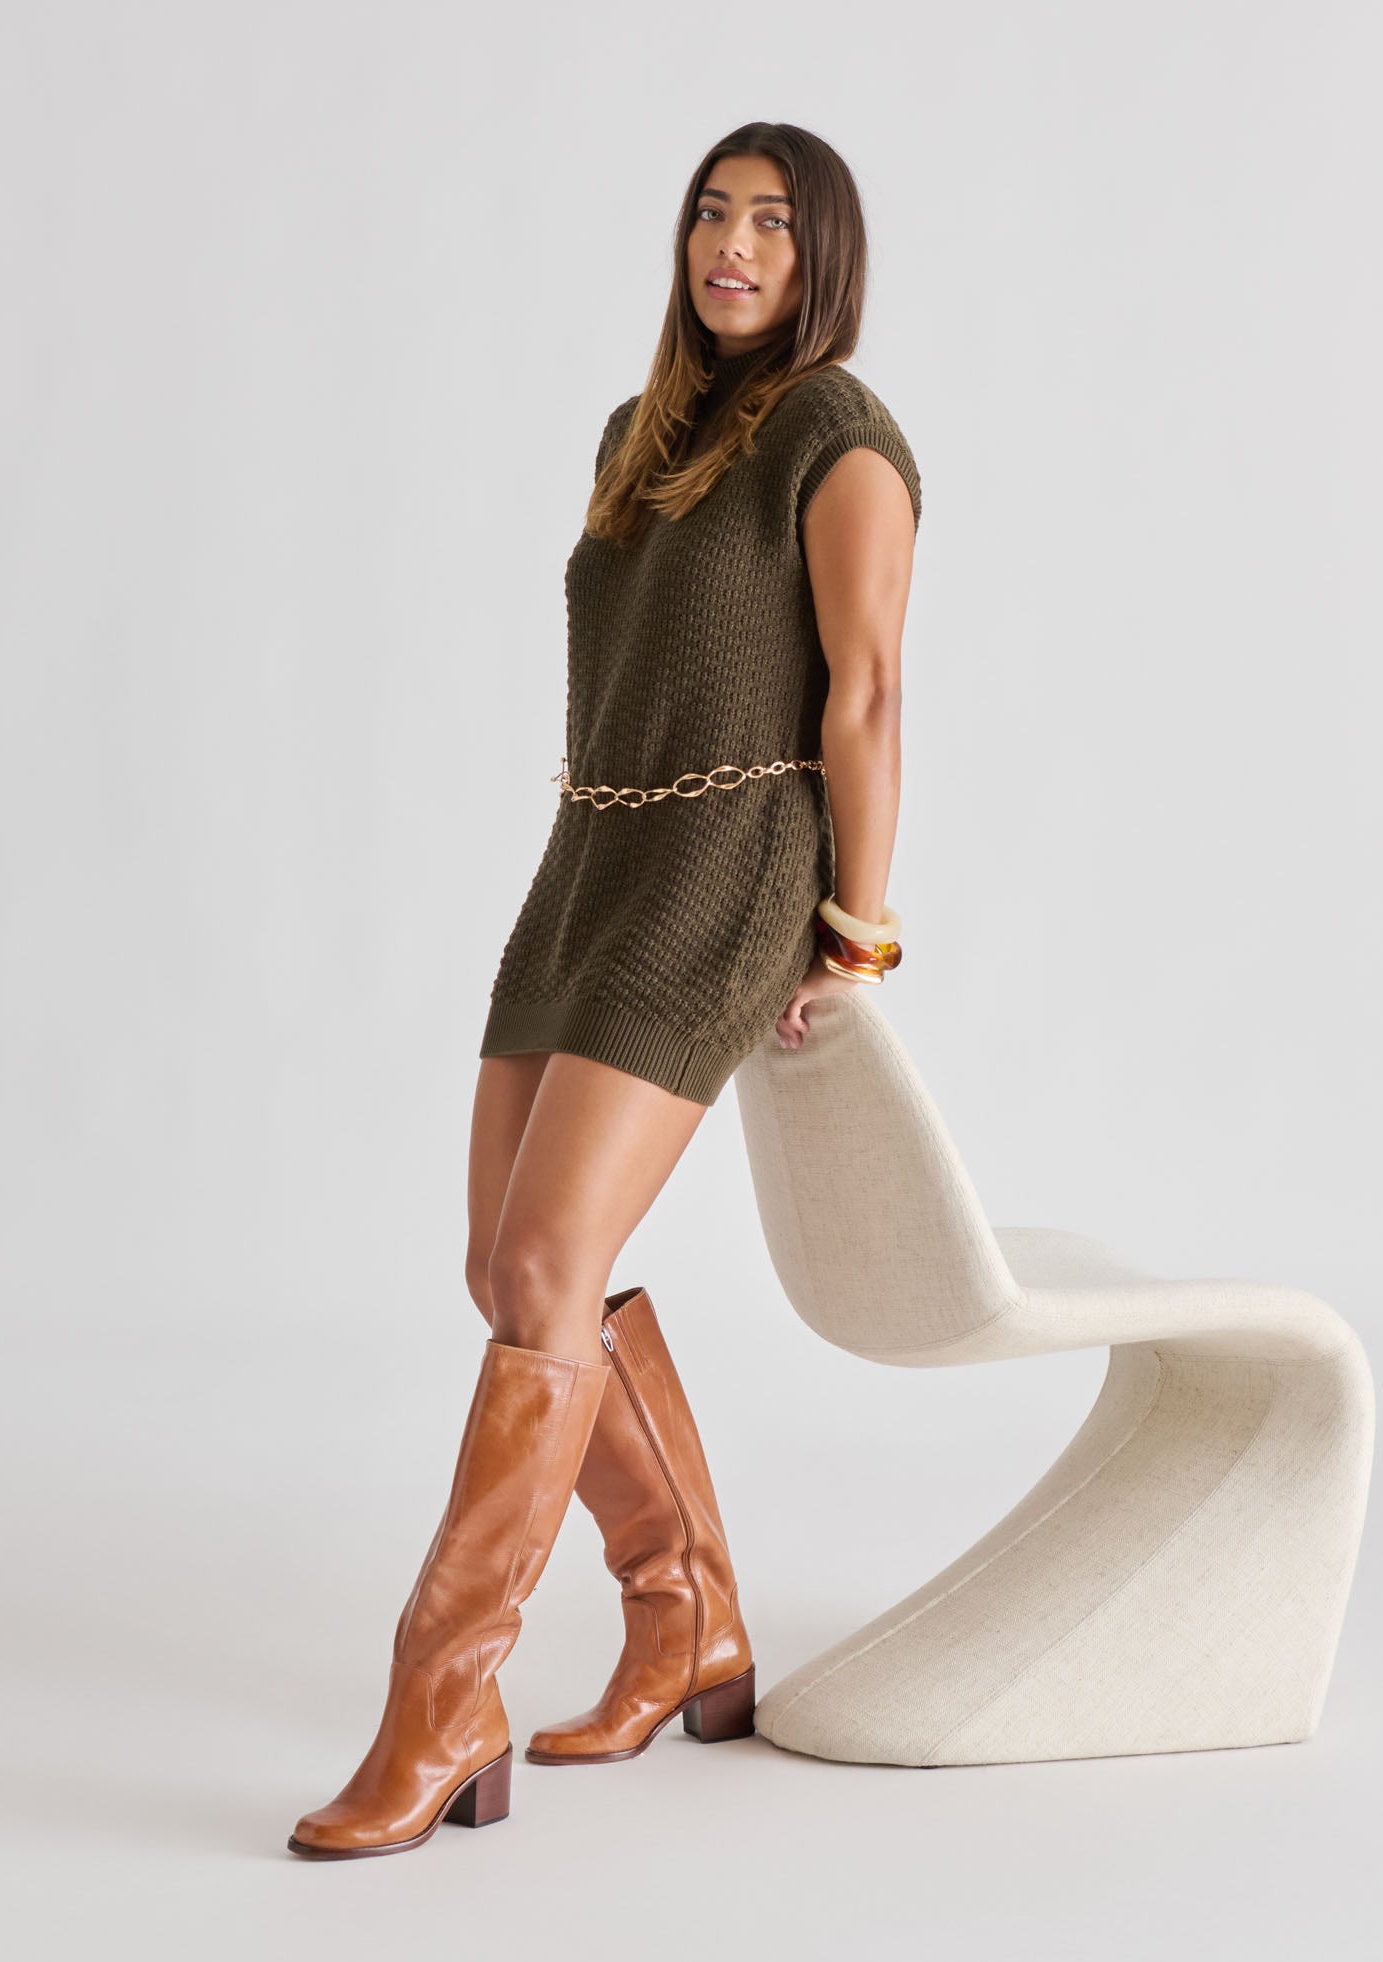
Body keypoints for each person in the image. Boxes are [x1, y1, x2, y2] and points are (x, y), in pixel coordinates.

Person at [288, 121, 920, 1860]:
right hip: (589, 863)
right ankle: (686, 1614)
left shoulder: (840, 436)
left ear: (822, 259)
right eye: (712, 214)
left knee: (548, 1269)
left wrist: (856, 929)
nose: (733, 246)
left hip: (725, 872)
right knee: (502, 1265)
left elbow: (865, 690)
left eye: (772, 224)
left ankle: (441, 1701)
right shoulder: (640, 440)